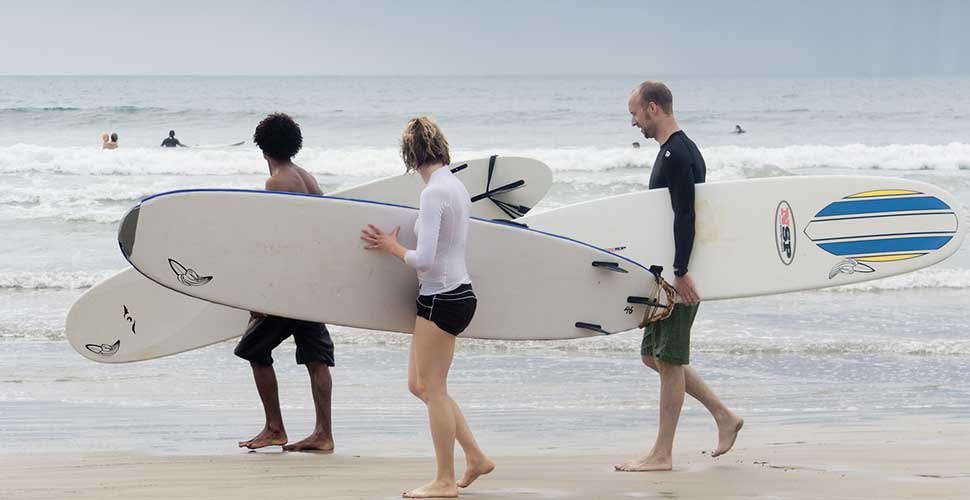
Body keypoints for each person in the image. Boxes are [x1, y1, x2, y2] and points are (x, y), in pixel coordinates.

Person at [361, 117, 493, 498]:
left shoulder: (434, 192)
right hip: (448, 295)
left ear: (409, 155)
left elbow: (427, 261)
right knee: (419, 385)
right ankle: (476, 458)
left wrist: (392, 247)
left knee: (432, 389)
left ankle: (445, 481)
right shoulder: (453, 186)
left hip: (443, 297)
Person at [615, 81, 743, 472]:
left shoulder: (677, 154)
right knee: (652, 356)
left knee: (669, 360)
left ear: (653, 108)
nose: (633, 122)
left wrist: (682, 271)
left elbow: (687, 214)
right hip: (667, 271)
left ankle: (662, 455)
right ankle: (724, 415)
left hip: (679, 273)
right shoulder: (673, 151)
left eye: (635, 113)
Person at [234, 112, 335, 453]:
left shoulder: (277, 182)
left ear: (262, 149)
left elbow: (278, 245)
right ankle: (323, 434)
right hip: (310, 284)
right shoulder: (307, 178)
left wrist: (262, 296)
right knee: (315, 357)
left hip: (290, 289)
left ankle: (275, 428)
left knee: (253, 349)